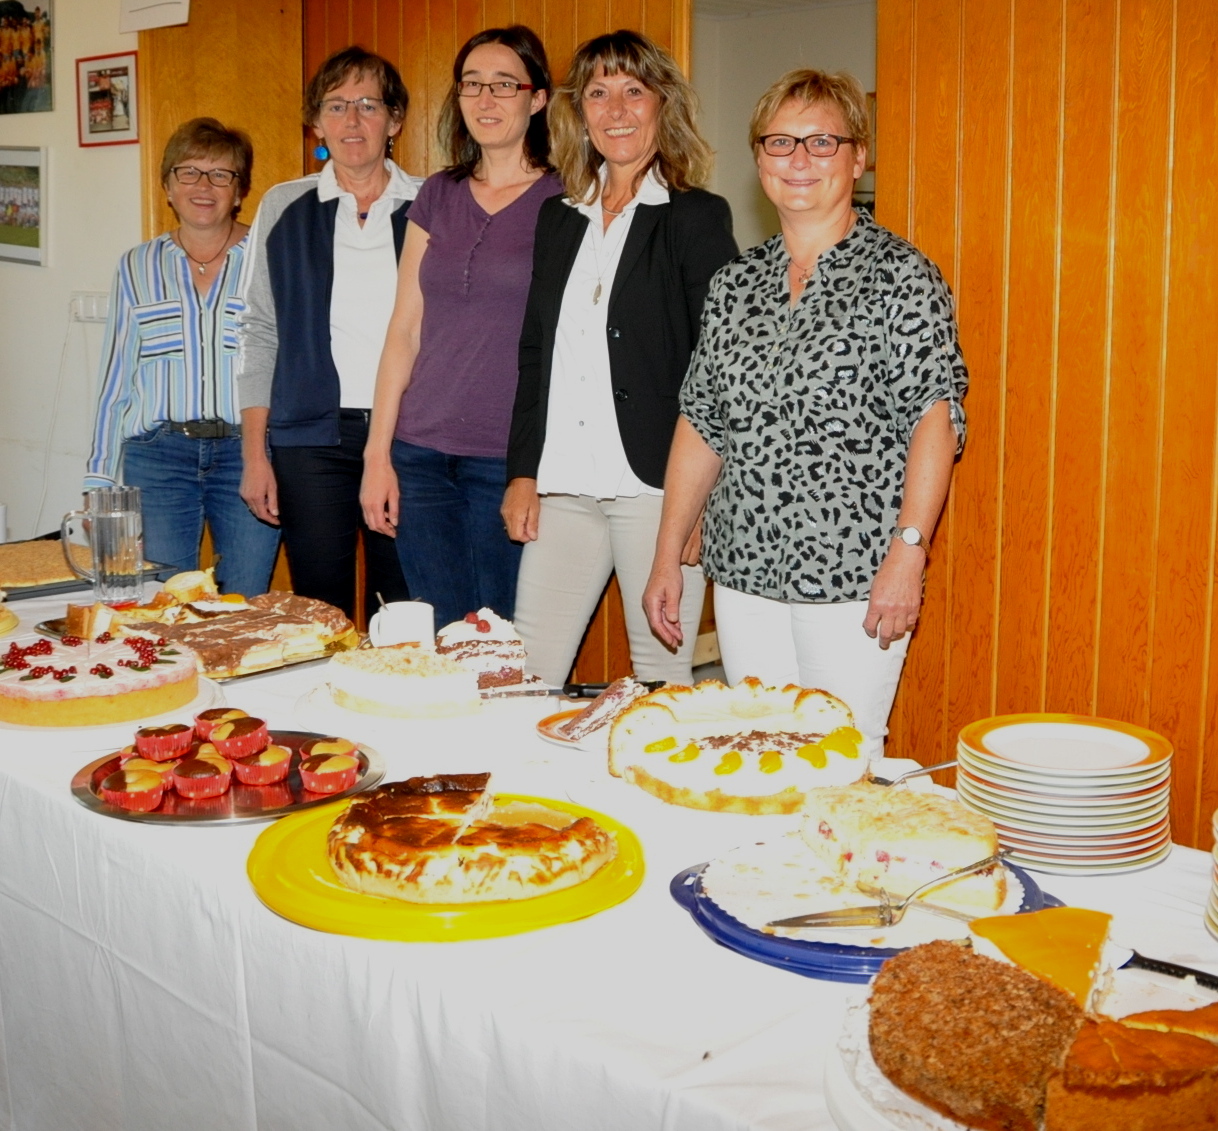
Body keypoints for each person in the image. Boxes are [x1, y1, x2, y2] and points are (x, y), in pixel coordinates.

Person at [643, 69, 968, 761]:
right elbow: (702, 421)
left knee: (844, 756)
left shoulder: (900, 276)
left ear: (858, 156)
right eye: (781, 142)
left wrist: (908, 553)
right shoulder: (734, 286)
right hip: (743, 572)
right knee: (758, 751)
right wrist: (668, 554)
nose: (799, 160)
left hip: (856, 572)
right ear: (758, 158)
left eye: (823, 142)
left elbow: (933, 420)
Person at [502, 29, 737, 686]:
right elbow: (535, 354)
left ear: (663, 104)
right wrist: (523, 470)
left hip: (659, 494)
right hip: (564, 488)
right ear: (578, 112)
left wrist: (702, 503)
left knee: (663, 685)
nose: (616, 110)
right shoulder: (558, 218)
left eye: (634, 91)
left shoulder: (696, 217)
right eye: (599, 94)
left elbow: (717, 370)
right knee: (526, 681)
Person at [360, 26, 561, 629]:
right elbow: (404, 329)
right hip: (419, 454)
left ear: (539, 98)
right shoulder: (437, 195)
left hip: (507, 459)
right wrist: (378, 454)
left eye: (505, 84)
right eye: (472, 85)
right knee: (444, 632)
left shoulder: (568, 199)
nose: (486, 99)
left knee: (500, 636)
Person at [238, 46, 423, 621]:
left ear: (394, 121)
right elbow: (259, 331)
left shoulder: (432, 204)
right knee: (320, 614)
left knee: (404, 608)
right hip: (309, 440)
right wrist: (254, 455)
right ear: (316, 121)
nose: (352, 120)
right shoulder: (283, 205)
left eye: (369, 105)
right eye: (337, 105)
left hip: (409, 435)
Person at [86, 118, 279, 596]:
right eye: (188, 172)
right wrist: (98, 484)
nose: (203, 186)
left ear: (240, 191)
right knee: (161, 602)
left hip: (249, 454)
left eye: (221, 174)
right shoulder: (136, 265)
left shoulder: (271, 257)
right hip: (159, 459)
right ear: (168, 187)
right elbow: (116, 381)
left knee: (245, 603)